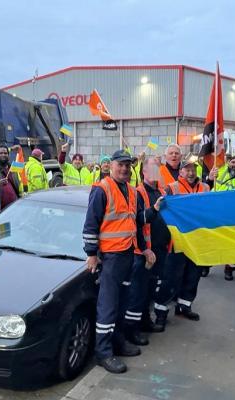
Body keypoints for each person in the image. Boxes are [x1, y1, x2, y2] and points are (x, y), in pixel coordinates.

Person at [82, 150, 157, 374]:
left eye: (127, 165)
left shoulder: (132, 192)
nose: (124, 169)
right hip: (110, 259)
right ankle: (103, 353)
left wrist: (153, 212)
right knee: (108, 306)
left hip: (127, 255)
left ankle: (118, 341)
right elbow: (90, 226)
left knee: (122, 303)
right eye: (120, 165)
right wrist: (92, 253)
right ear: (111, 165)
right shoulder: (101, 189)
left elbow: (136, 222)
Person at [154, 156, 211, 330]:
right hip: (176, 243)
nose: (191, 172)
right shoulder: (172, 188)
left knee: (192, 277)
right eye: (187, 169)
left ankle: (184, 306)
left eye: (193, 169)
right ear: (181, 171)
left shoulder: (206, 187)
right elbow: (163, 213)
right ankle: (161, 314)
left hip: (197, 242)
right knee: (170, 279)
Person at [123, 156, 169, 345]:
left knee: (150, 290)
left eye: (158, 168)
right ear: (143, 172)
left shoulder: (161, 191)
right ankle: (131, 331)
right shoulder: (137, 193)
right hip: (142, 253)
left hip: (159, 250)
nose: (156, 172)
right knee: (137, 293)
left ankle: (145, 321)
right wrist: (143, 250)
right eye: (152, 168)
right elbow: (136, 222)